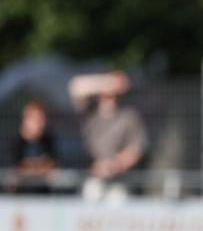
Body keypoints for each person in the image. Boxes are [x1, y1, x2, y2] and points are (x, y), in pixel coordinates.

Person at [68, 71, 147, 203]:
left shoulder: (128, 117)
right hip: (92, 178)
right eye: (106, 93)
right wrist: (108, 82)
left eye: (113, 93)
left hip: (119, 180)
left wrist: (112, 165)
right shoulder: (90, 113)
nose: (110, 96)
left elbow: (136, 149)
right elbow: (75, 87)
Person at [10, 99, 58, 194]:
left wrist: (29, 167)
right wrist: (40, 166)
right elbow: (16, 169)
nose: (40, 123)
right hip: (21, 197)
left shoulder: (49, 139)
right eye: (36, 120)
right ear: (26, 119)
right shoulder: (16, 141)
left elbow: (53, 166)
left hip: (44, 196)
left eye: (42, 119)